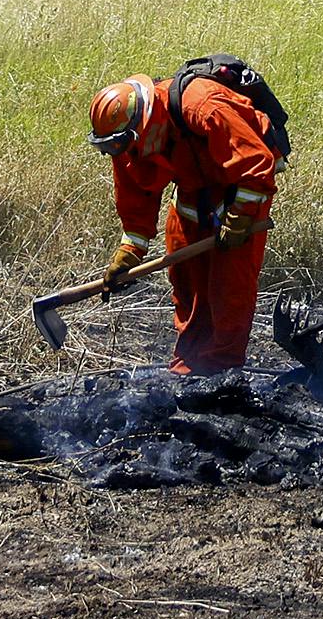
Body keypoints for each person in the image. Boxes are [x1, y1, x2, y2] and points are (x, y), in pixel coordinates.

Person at [85, 59, 282, 382]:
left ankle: (222, 375)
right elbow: (136, 196)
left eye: (121, 146)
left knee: (229, 291)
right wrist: (130, 250)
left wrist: (240, 218)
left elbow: (255, 164)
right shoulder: (124, 140)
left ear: (145, 123)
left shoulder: (202, 105)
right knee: (188, 289)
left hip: (243, 189)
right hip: (192, 193)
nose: (119, 154)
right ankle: (188, 369)